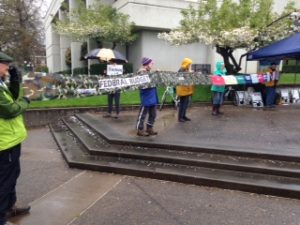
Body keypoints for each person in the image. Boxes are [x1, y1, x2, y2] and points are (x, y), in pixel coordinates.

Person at [0, 52, 31, 225]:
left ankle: (10, 207)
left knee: (11, 176)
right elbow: (10, 109)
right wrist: (26, 101)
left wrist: (14, 79)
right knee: (4, 182)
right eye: (5, 64)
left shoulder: (0, 82)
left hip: (10, 140)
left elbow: (11, 96)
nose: (7, 67)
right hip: (4, 142)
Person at [136, 57, 159, 136]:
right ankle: (140, 129)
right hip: (146, 97)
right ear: (146, 64)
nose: (152, 65)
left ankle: (149, 128)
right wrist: (154, 74)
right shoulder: (141, 72)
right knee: (142, 114)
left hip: (152, 96)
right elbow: (146, 82)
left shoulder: (149, 72)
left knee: (153, 114)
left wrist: (155, 74)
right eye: (151, 63)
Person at [176, 58, 194, 122]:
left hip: (187, 90)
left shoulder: (186, 70)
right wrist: (189, 74)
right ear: (186, 64)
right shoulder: (181, 70)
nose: (190, 66)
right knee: (182, 104)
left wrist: (189, 73)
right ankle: (180, 117)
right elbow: (181, 79)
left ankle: (183, 116)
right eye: (189, 64)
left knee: (185, 104)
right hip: (182, 90)